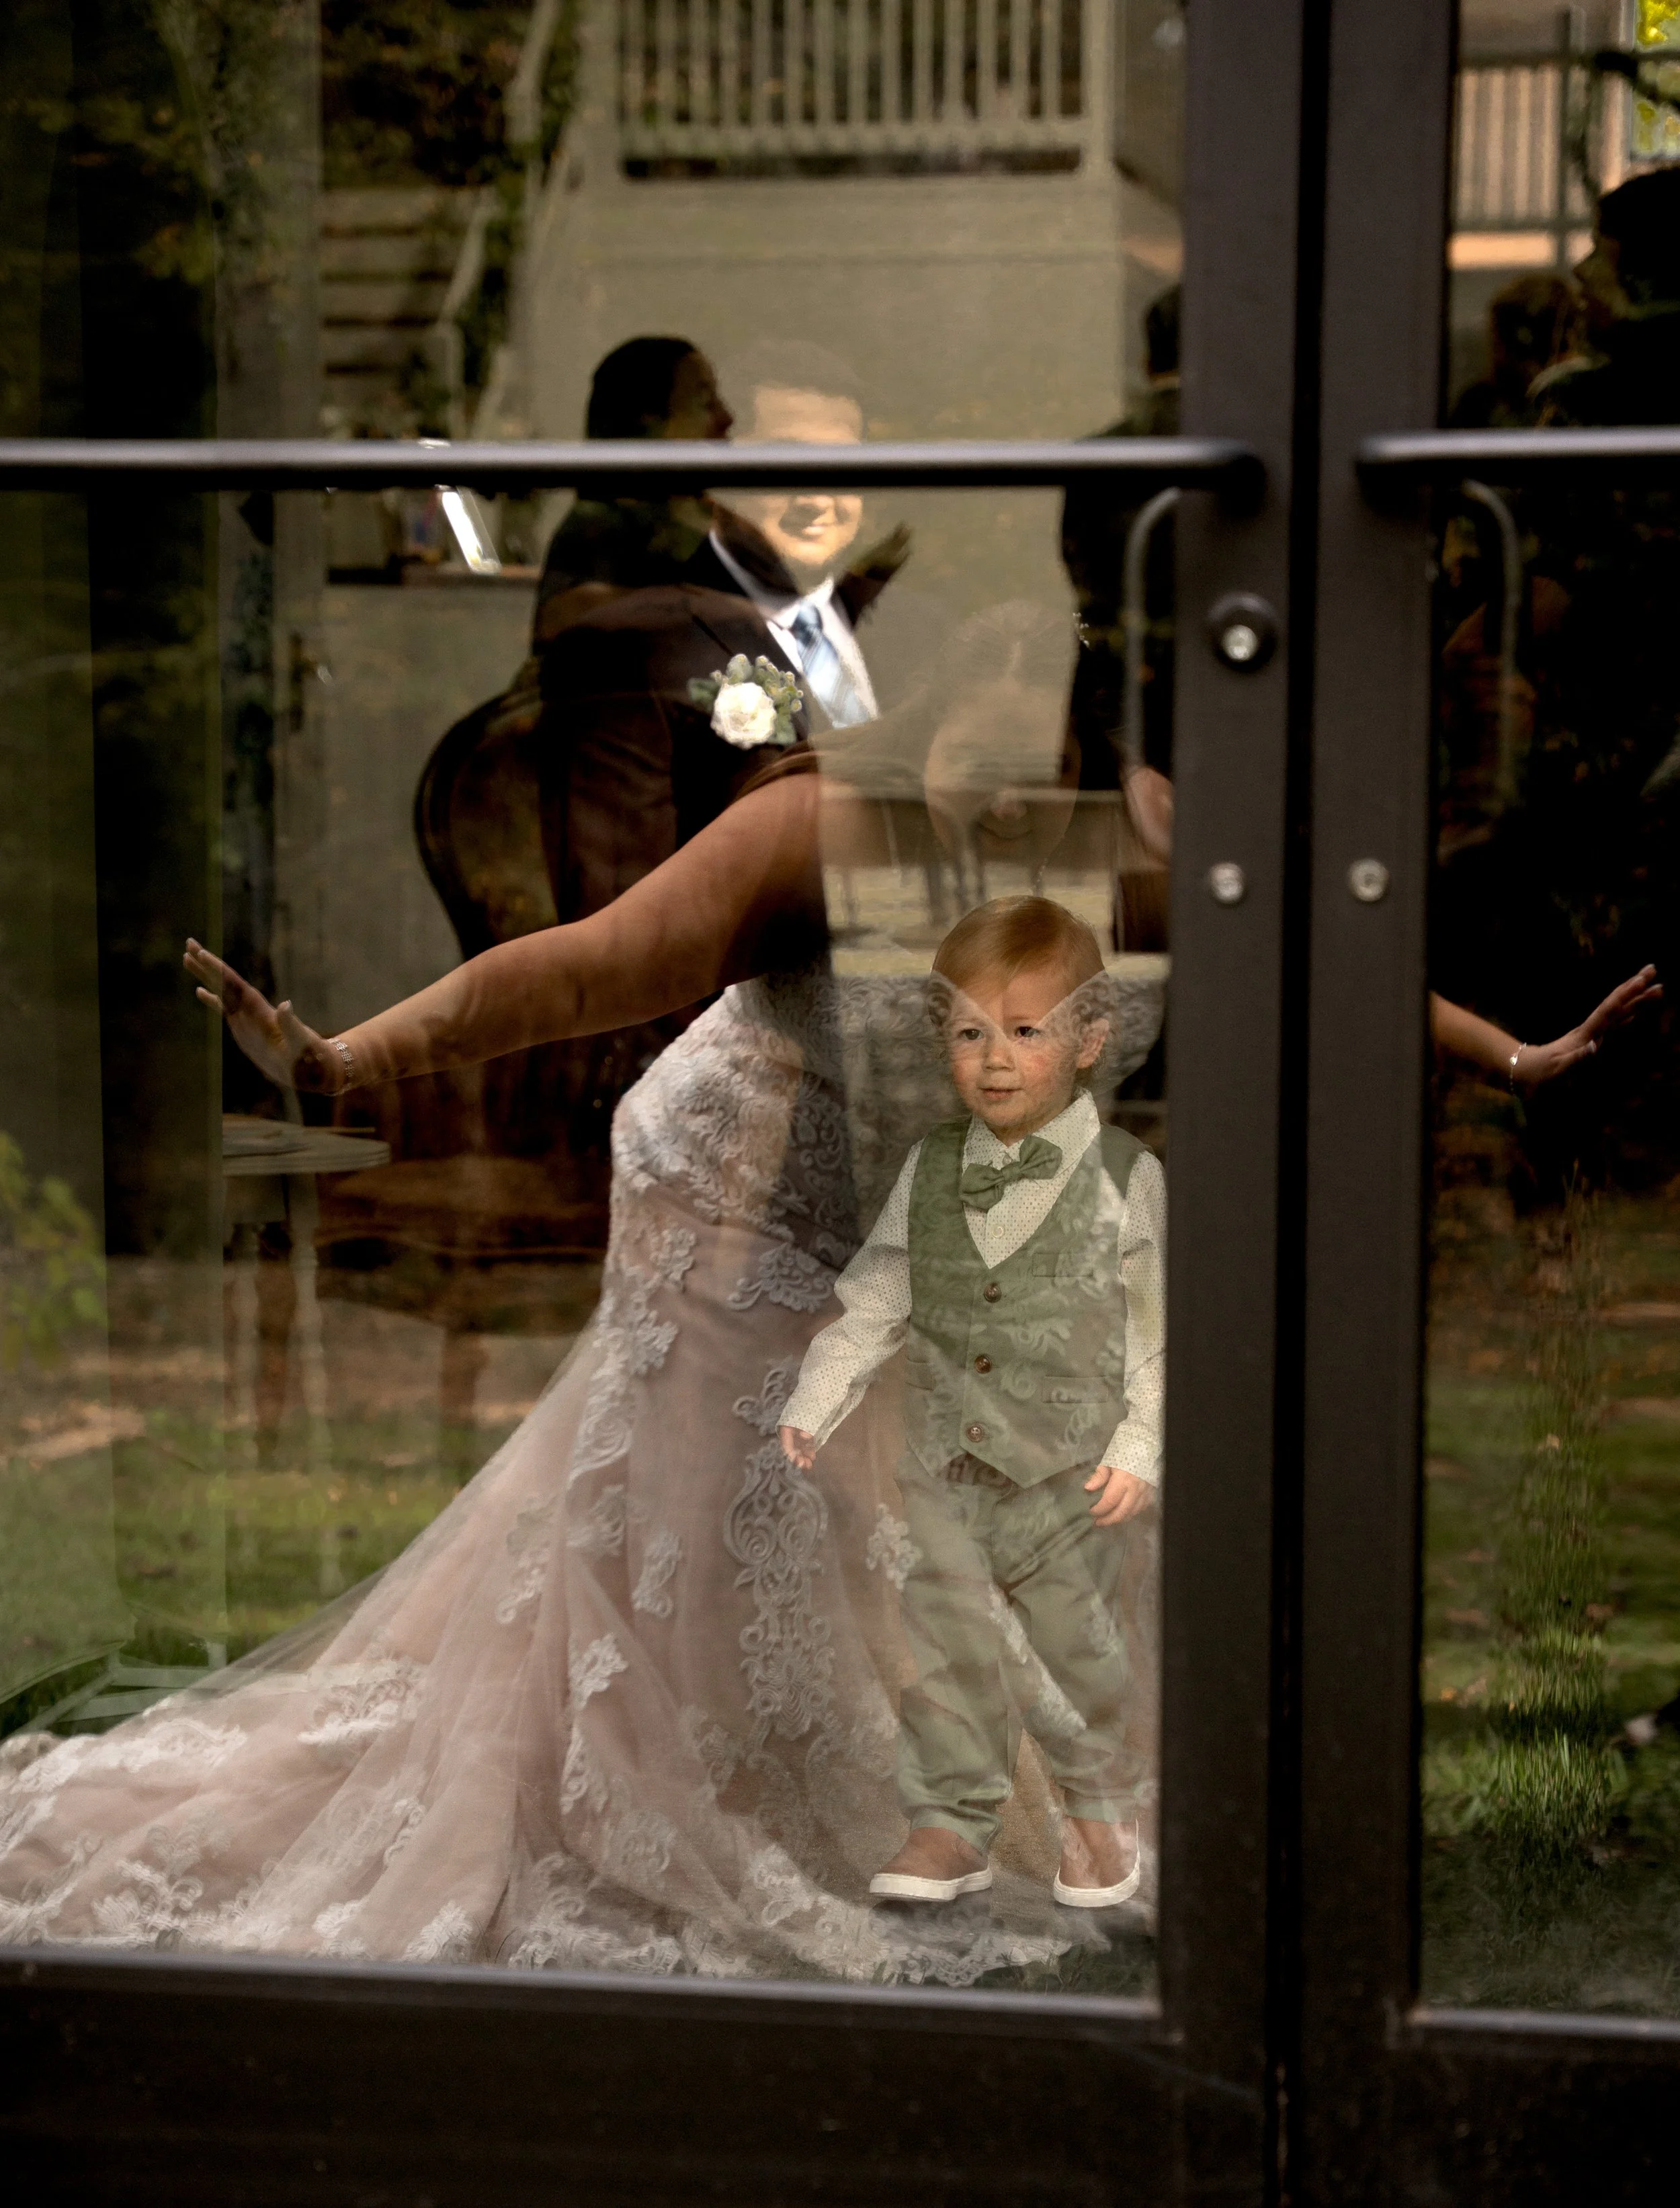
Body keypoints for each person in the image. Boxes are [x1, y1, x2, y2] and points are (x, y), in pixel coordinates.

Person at [0, 609, 1162, 1982]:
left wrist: (1496, 1058)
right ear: (921, 703)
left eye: (1048, 702)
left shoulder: (1137, 852)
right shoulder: (822, 829)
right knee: (733, 1536)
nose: (1011, 731)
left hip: (907, 1238)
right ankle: (688, 1794)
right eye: (986, 684)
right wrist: (346, 1059)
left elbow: (1325, 965)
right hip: (733, 1197)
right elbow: (600, 958)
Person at [779, 898, 1163, 1911]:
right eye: (968, 1033)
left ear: (1089, 1041)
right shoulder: (931, 1168)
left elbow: (1160, 1332)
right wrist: (821, 1392)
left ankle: (1099, 1808)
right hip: (945, 1470)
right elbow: (880, 1294)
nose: (994, 1059)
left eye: (1025, 1031)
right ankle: (952, 1823)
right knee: (946, 1646)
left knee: (1079, 1644)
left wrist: (1140, 1443)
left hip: (1069, 1475)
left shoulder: (1129, 1178)